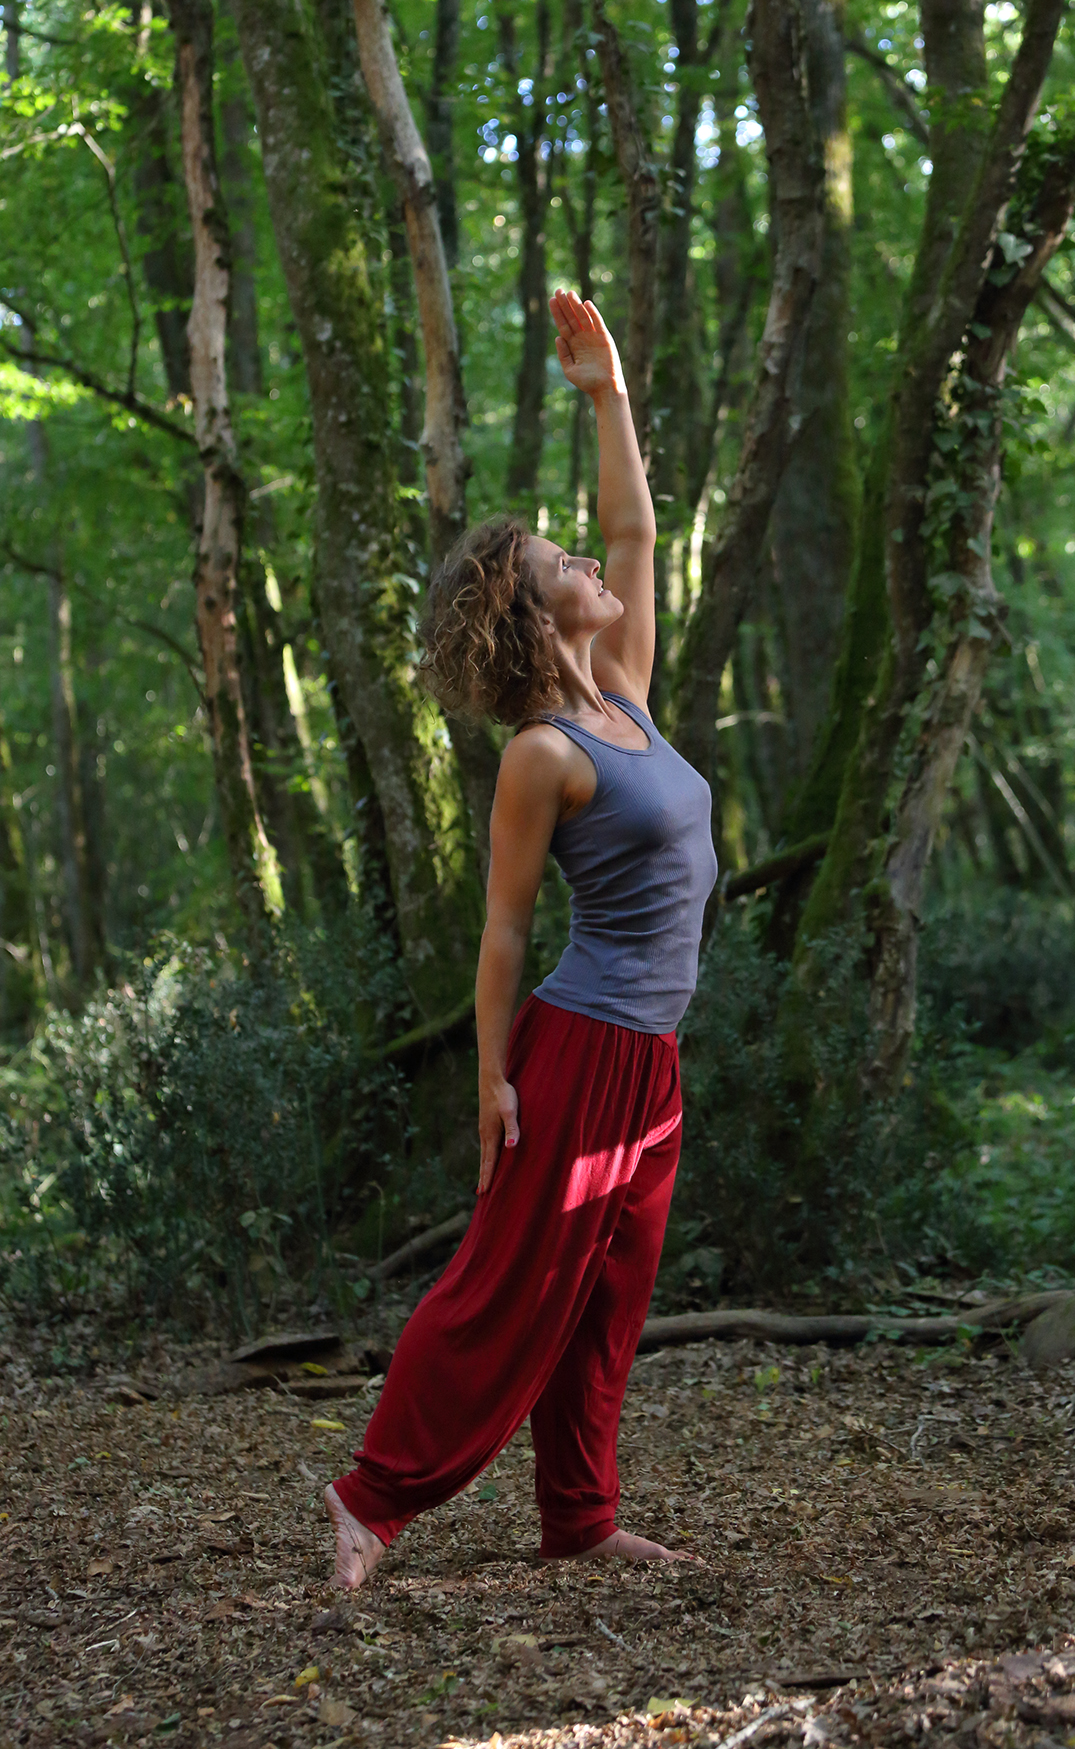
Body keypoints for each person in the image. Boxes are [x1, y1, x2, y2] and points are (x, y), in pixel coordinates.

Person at [323, 290, 717, 1590]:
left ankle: (579, 1520)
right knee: (502, 1291)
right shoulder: (542, 754)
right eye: (567, 567)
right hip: (579, 1050)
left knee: (606, 1307)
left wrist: (606, 394)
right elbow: (501, 934)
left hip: (649, 1059)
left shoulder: (630, 704)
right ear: (532, 611)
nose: (596, 569)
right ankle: (370, 1499)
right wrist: (492, 1078)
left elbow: (636, 524)